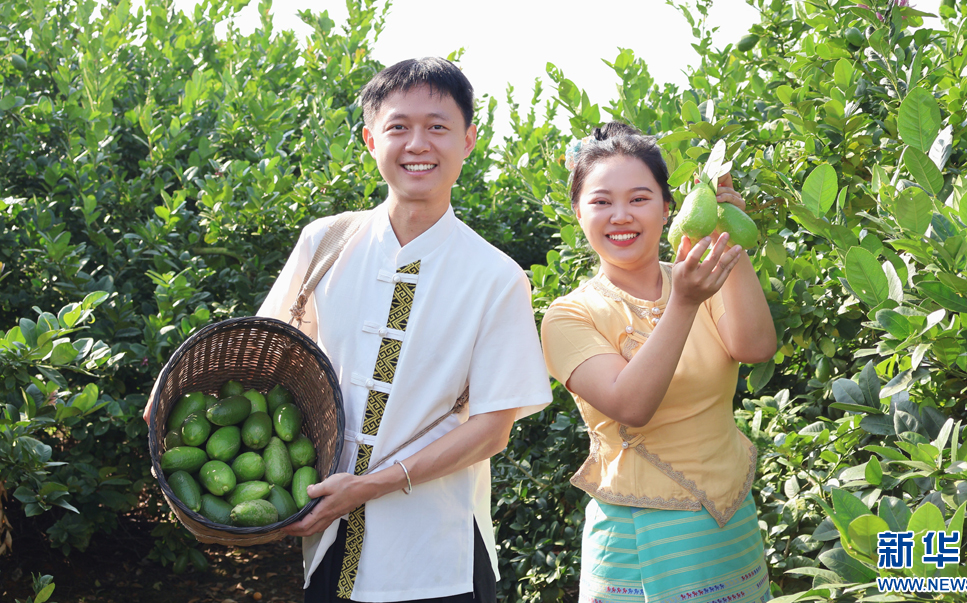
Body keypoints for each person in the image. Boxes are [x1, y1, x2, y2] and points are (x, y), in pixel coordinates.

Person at [148, 57, 552, 602]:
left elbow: (491, 430)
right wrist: (173, 386)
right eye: (398, 126)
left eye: (437, 127)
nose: (417, 144)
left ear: (468, 140)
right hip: (328, 538)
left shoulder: (496, 277)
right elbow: (262, 356)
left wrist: (368, 487)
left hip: (438, 552)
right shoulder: (326, 242)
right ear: (369, 139)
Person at [540, 122, 777, 602]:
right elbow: (632, 405)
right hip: (639, 534)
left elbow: (755, 347)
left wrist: (726, 231)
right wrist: (684, 303)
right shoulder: (569, 315)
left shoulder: (699, 280)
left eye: (639, 198)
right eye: (601, 201)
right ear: (578, 212)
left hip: (730, 522)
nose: (621, 216)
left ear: (668, 208)